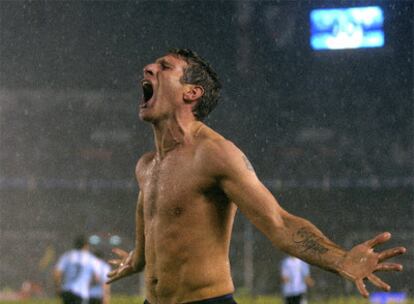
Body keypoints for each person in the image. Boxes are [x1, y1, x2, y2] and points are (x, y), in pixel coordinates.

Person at [107, 48, 406, 304]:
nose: (149, 68)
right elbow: (152, 224)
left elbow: (279, 222)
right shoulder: (146, 165)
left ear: (191, 92)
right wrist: (136, 260)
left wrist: (340, 259)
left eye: (165, 67)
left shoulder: (215, 153)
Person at [54, 236, 100, 304]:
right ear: (86, 245)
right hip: (81, 292)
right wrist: (88, 284)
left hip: (67, 291)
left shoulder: (67, 256)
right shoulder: (91, 258)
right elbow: (97, 278)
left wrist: (58, 287)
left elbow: (57, 272)